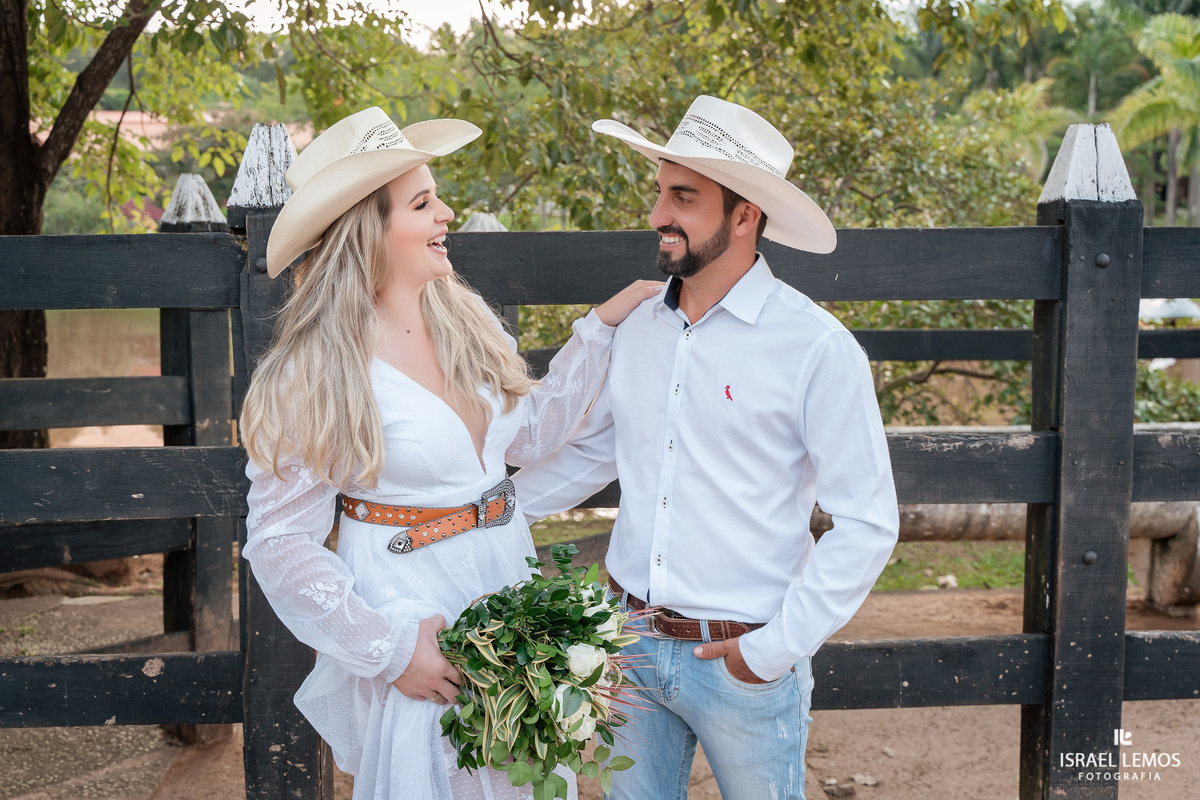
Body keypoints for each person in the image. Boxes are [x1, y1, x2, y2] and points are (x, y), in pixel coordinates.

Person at [239, 106, 661, 800]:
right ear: (368, 229)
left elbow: (527, 436)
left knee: (522, 771)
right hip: (411, 603)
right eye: (423, 202)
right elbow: (279, 542)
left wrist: (601, 329)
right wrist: (390, 648)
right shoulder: (311, 374)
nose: (446, 213)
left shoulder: (464, 319)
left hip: (506, 579)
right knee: (437, 770)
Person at [512, 95, 900, 799]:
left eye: (683, 197)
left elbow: (870, 523)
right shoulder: (639, 329)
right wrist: (490, 514)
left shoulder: (815, 347)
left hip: (740, 660)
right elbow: (599, 454)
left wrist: (770, 652)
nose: (660, 214)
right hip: (626, 645)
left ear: (746, 215)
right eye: (661, 192)